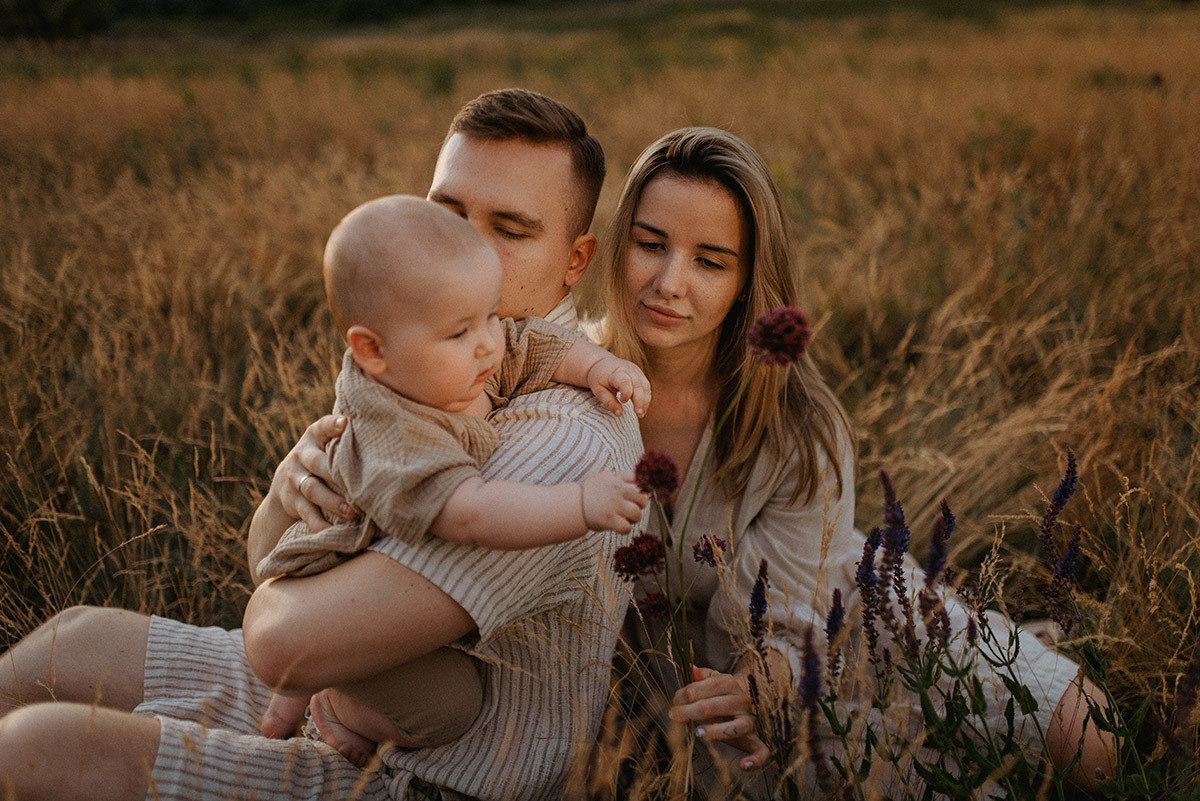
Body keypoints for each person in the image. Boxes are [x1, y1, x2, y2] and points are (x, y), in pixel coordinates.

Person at [0, 88, 643, 801]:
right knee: (68, 644)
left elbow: (284, 642)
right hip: (329, 677)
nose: (463, 245)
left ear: (575, 260)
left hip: (422, 776)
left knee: (34, 753)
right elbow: (267, 554)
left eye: (509, 228)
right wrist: (292, 488)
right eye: (447, 212)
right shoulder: (429, 357)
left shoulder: (565, 437)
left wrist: (296, 629)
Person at [593, 126, 1115, 794]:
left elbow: (785, 623)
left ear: (748, 281)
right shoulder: (565, 389)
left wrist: (764, 684)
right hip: (699, 696)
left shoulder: (797, 423)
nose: (669, 283)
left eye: (710, 262)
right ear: (619, 242)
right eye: (650, 244)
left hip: (850, 623)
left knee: (1090, 746)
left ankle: (1015, 648)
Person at [254, 193, 649, 767]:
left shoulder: (447, 358)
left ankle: (300, 694)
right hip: (330, 582)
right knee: (451, 707)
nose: (489, 341)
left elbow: (532, 347)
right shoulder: (397, 432)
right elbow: (471, 512)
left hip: (340, 602)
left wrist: (600, 367)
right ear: (372, 351)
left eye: (489, 315)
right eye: (462, 331)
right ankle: (332, 703)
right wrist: (580, 503)